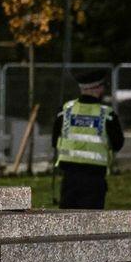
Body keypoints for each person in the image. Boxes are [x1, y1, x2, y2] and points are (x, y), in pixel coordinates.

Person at [51, 70, 124, 209]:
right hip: (94, 178)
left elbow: (55, 141)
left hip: (69, 177)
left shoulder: (66, 110)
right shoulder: (107, 114)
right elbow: (118, 144)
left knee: (67, 222)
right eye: (102, 86)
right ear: (97, 88)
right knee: (92, 222)